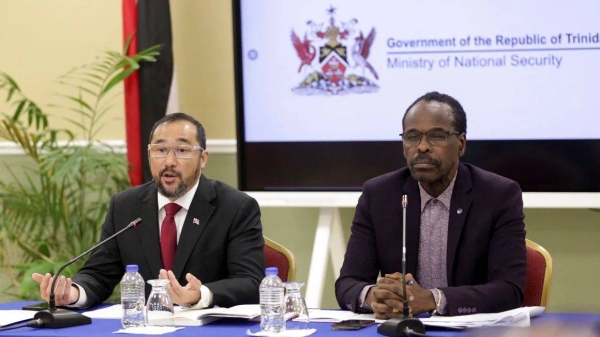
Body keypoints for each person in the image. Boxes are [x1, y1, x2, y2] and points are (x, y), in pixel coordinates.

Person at [32, 112, 265, 308]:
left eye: (182, 151)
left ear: (202, 158)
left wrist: (200, 294)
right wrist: (73, 293)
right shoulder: (125, 205)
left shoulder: (235, 207)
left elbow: (250, 281)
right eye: (160, 150)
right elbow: (99, 273)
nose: (169, 161)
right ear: (149, 154)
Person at [335, 92, 527, 317]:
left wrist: (433, 300)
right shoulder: (379, 194)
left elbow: (509, 290)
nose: (422, 147)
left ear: (461, 144)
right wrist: (375, 297)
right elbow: (347, 283)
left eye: (436, 136)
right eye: (412, 137)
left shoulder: (498, 195)